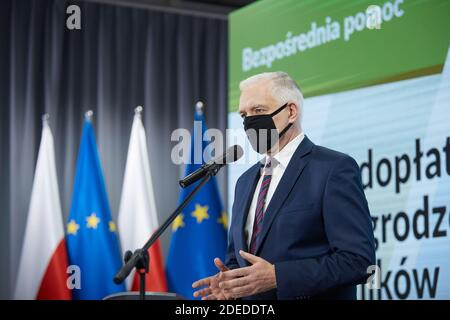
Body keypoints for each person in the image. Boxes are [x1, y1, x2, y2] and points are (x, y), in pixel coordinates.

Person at [192, 71, 375, 300]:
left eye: (258, 111)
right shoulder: (245, 181)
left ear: (291, 111)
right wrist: (232, 284)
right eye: (243, 114)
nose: (249, 122)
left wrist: (278, 276)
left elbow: (359, 261)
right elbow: (238, 257)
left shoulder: (333, 169)